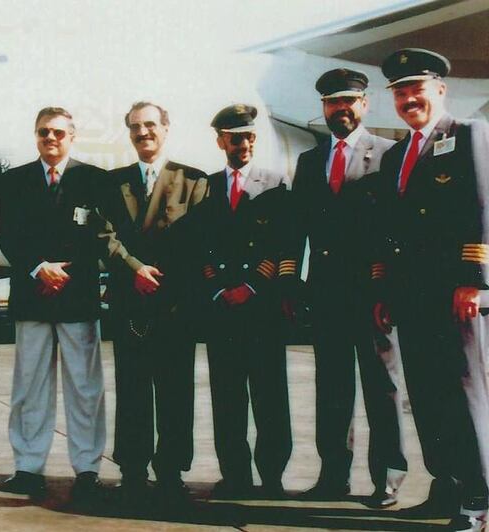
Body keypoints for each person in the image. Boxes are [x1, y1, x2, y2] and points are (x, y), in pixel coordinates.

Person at [373, 48, 489, 531]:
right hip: (411, 297)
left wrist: (474, 282)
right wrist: (383, 291)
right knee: (425, 396)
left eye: (416, 89)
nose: (407, 99)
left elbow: (482, 209)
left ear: (440, 89)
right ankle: (446, 487)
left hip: (454, 295)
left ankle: (479, 500)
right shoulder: (396, 153)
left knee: (465, 395)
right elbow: (387, 229)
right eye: (399, 92)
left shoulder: (468, 135)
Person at [282, 69, 407, 507]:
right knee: (332, 389)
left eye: (349, 101)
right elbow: (295, 227)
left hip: (372, 292)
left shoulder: (389, 154)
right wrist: (290, 283)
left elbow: (398, 228)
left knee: (381, 388)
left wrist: (387, 287)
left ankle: (386, 480)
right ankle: (333, 475)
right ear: (323, 108)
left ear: (365, 103)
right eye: (333, 102)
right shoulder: (310, 162)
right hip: (327, 293)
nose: (342, 109)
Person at [0, 107, 126, 504]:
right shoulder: (14, 181)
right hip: (32, 294)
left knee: (85, 389)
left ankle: (87, 468)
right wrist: (39, 268)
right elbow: (6, 233)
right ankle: (28, 466)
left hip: (77, 296)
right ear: (34, 136)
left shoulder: (94, 180)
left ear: (72, 136)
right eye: (42, 133)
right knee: (29, 387)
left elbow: (105, 234)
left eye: (57, 132)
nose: (50, 139)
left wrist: (66, 271)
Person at [181, 104, 291, 499]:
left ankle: (273, 476)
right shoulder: (206, 187)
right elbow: (199, 247)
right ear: (220, 141)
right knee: (227, 397)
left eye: (248, 136)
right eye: (234, 137)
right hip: (221, 308)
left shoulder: (275, 184)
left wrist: (253, 285)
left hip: (260, 308)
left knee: (269, 396)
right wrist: (217, 286)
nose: (242, 143)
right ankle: (235, 474)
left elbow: (283, 242)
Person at [105, 101, 207, 504]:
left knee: (175, 389)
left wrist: (158, 275)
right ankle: (132, 468)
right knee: (131, 389)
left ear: (166, 128)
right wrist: (134, 269)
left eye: (150, 125)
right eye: (135, 127)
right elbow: (104, 233)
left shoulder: (193, 181)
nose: (143, 132)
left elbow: (197, 239)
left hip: (173, 302)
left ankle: (171, 469)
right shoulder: (113, 183)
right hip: (130, 299)